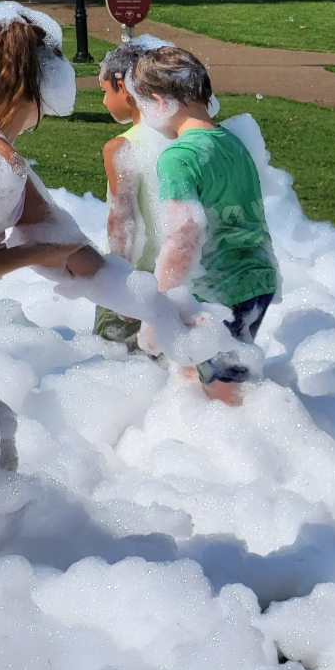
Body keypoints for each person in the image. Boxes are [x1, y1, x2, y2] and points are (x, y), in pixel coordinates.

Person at [130, 46, 278, 406]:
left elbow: (184, 237)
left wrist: (157, 312)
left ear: (157, 101)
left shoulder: (179, 157)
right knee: (214, 379)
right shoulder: (232, 140)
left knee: (222, 399)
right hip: (257, 280)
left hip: (217, 295)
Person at [0, 2, 106, 471]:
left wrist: (159, 308)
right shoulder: (2, 165)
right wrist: (37, 254)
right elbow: (54, 247)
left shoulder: (9, 163)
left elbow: (72, 249)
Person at [93, 36, 176, 352]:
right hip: (183, 280)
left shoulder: (123, 147)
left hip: (138, 281)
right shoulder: (188, 139)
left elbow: (123, 223)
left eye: (104, 91)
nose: (104, 102)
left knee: (117, 363)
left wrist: (119, 289)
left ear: (123, 87)